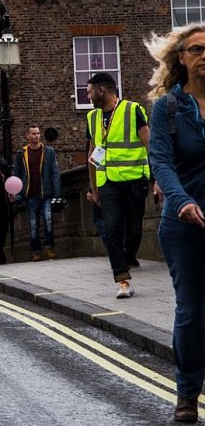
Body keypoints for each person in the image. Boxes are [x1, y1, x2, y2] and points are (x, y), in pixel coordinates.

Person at [146, 22, 205, 423]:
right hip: (183, 225)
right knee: (191, 311)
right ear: (181, 58)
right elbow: (161, 163)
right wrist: (181, 200)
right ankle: (187, 393)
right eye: (197, 49)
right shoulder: (167, 107)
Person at [85, 71, 150, 299]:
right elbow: (92, 154)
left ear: (102, 91)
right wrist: (93, 188)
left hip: (135, 180)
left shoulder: (133, 110)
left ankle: (127, 258)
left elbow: (150, 144)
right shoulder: (92, 117)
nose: (88, 95)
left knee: (134, 231)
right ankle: (123, 280)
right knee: (112, 229)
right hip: (108, 183)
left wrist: (160, 179)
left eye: (90, 90)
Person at [12, 125, 62, 261]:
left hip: (46, 193)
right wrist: (17, 195)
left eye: (38, 133)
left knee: (48, 220)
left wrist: (57, 194)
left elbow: (55, 173)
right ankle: (36, 251)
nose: (36, 136)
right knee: (33, 225)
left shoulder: (49, 152)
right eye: (33, 134)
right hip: (30, 194)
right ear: (27, 136)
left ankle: (49, 248)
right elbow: (17, 174)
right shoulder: (21, 153)